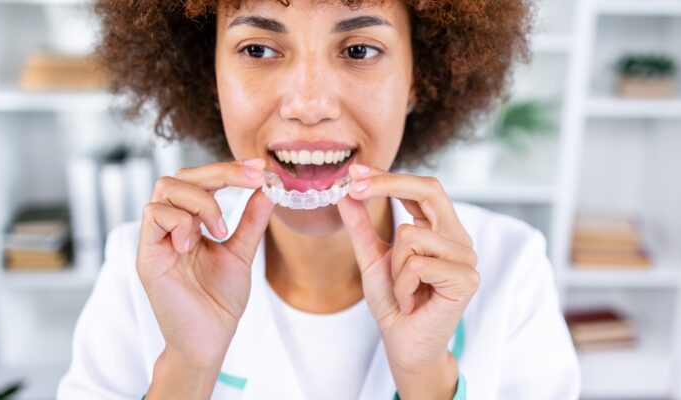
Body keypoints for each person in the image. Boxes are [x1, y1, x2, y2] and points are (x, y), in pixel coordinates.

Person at [57, 0, 581, 398]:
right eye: (257, 49)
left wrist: (426, 378)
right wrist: (187, 369)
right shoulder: (143, 267)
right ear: (209, 75)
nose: (308, 105)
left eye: (359, 50)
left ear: (416, 79)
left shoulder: (510, 264)